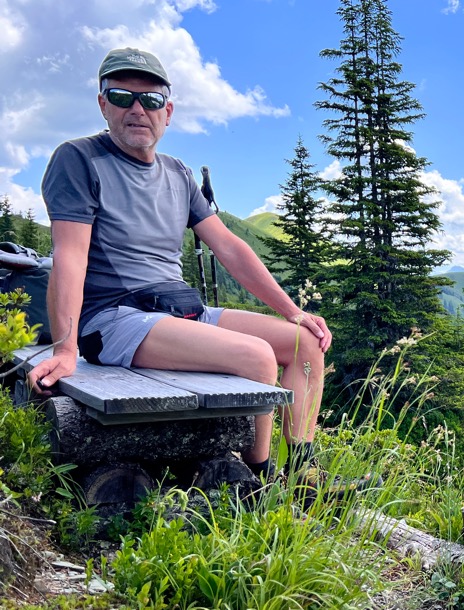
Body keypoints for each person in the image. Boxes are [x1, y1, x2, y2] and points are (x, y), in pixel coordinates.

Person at [27, 47, 329, 481]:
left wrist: (293, 311)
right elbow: (69, 256)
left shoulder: (178, 173)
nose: (137, 109)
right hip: (113, 317)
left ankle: (303, 474)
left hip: (179, 308)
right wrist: (67, 347)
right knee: (259, 357)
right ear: (102, 104)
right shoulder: (78, 160)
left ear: (167, 112)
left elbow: (229, 247)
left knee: (305, 345)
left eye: (150, 100)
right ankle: (259, 478)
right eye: (121, 96)